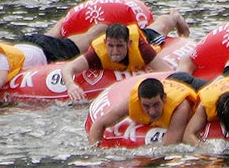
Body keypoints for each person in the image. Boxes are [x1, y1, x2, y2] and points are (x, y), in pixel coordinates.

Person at [0, 25, 107, 108]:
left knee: (86, 39)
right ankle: (63, 24)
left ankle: (108, 23)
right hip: (25, 46)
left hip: (45, 51)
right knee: (52, 36)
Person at [60, 9, 191, 101]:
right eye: (111, 46)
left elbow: (168, 73)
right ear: (105, 43)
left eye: (119, 46)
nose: (114, 51)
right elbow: (68, 68)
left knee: (159, 28)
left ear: (128, 44)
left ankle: (175, 16)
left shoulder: (142, 49)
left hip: (147, 37)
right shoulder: (97, 53)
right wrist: (71, 85)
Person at [88, 74, 204, 146]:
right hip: (171, 79)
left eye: (156, 105)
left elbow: (170, 146)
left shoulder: (180, 107)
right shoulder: (132, 102)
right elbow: (99, 124)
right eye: (146, 106)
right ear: (140, 101)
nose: (152, 112)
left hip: (194, 86)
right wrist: (95, 153)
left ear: (164, 98)